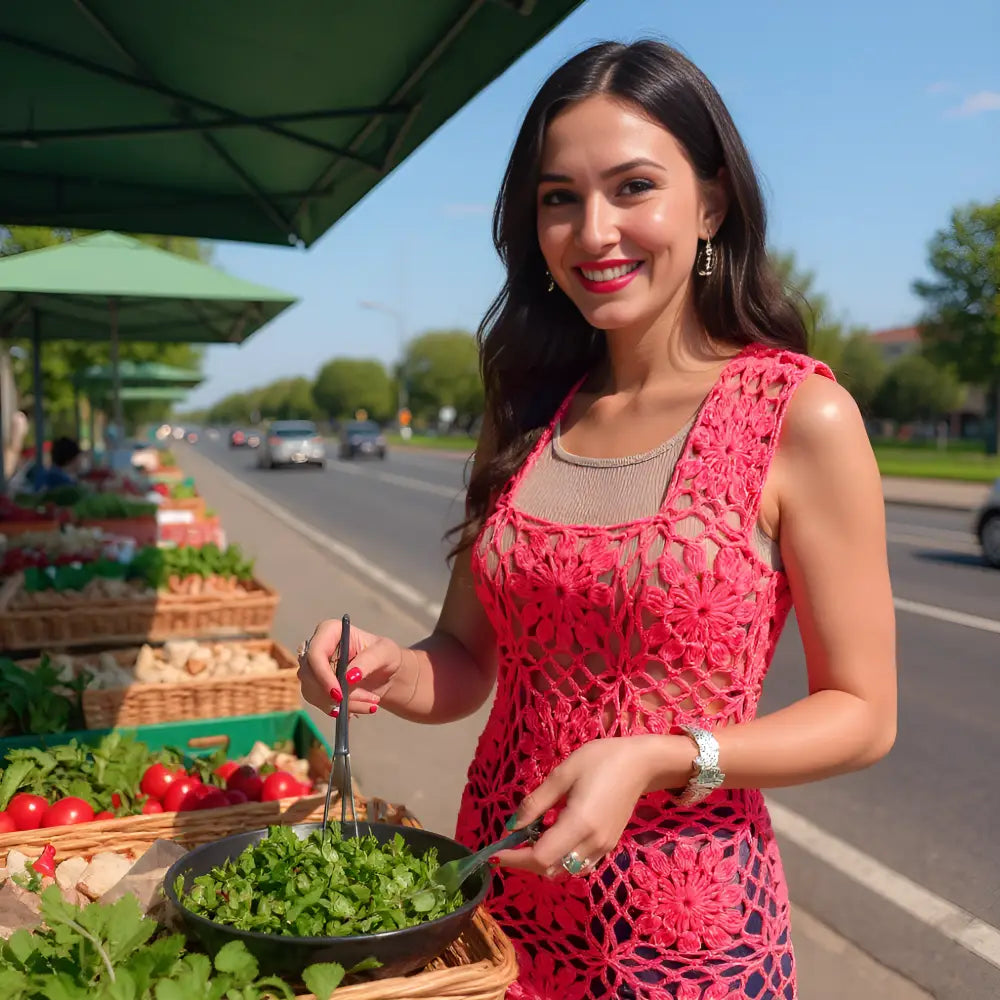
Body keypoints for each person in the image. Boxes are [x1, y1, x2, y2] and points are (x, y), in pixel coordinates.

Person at [298, 40, 896, 1000]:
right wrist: (384, 665)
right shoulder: (529, 408)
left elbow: (863, 716)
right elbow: (465, 658)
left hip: (689, 934)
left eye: (633, 188)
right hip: (494, 895)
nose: (594, 231)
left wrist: (665, 756)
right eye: (559, 198)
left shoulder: (797, 416)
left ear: (711, 203)